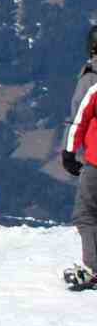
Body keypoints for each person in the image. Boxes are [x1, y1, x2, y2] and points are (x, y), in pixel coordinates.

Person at [62, 25, 97, 290]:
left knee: (85, 214)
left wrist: (69, 152)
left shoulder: (92, 77)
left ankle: (93, 269)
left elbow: (79, 118)